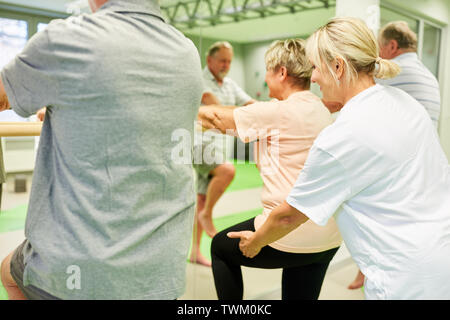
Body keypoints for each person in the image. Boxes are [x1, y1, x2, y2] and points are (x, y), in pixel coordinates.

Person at [231, 17, 450, 300]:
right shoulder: (405, 103)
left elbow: (288, 217)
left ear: (337, 66)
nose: (313, 78)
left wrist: (255, 242)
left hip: (406, 279)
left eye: (315, 68)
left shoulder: (342, 136)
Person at [0, 0, 203, 299]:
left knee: (9, 271)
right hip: (161, 273)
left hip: (76, 274)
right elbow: (128, 109)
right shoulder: (186, 50)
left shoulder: (68, 39)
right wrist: (65, 109)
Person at [198, 39, 342, 300]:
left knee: (220, 247)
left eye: (267, 70)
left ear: (282, 73)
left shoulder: (279, 111)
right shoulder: (321, 109)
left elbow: (215, 118)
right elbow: (248, 112)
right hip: (329, 237)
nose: (265, 78)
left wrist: (183, 109)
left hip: (287, 233)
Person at [347, 20, 443, 290]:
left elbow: (355, 98)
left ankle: (369, 272)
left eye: (379, 47)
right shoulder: (426, 73)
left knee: (365, 211)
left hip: (403, 165)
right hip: (425, 165)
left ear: (391, 46)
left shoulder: (396, 70)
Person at [190, 41, 255, 267]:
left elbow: (250, 103)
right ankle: (208, 215)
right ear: (209, 61)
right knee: (227, 171)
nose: (226, 65)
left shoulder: (229, 84)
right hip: (198, 145)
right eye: (222, 60)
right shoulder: (200, 80)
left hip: (217, 147)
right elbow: (216, 109)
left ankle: (195, 252)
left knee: (201, 198)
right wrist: (243, 119)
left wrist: (272, 111)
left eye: (229, 61)